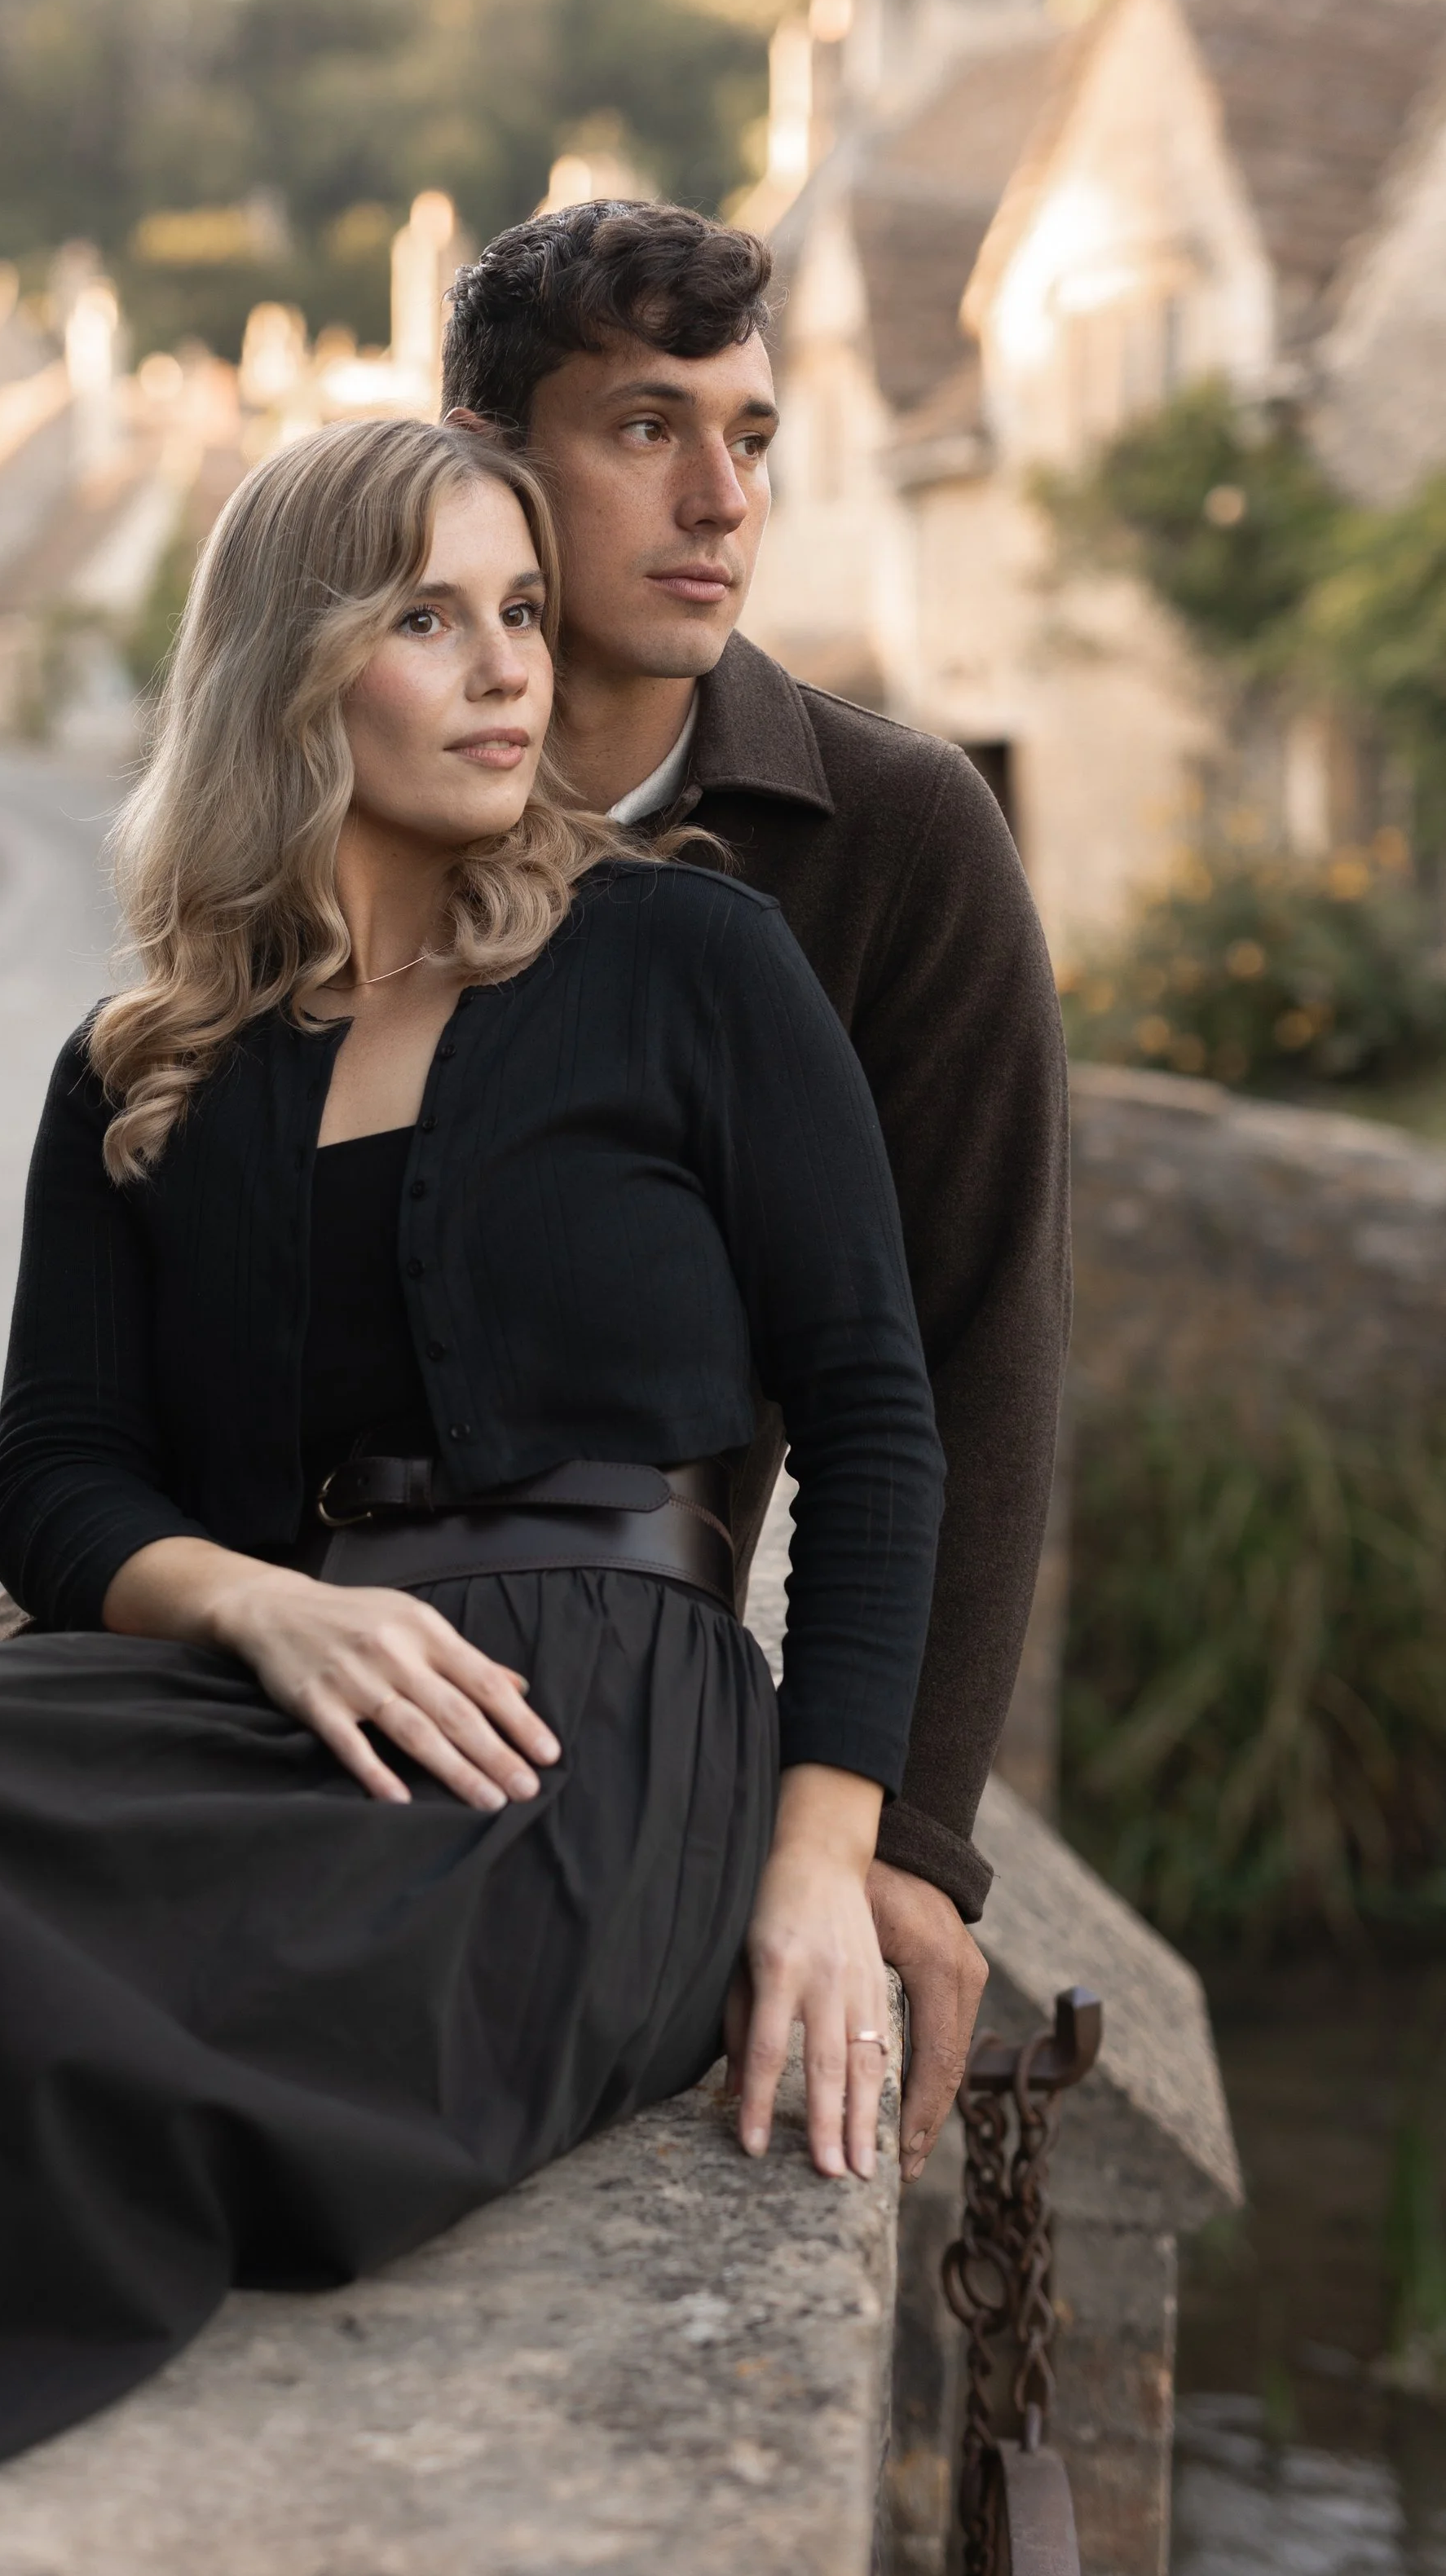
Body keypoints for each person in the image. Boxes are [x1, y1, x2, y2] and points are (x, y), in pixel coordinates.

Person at [0, 419, 943, 2576]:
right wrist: (256, 1606)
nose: (509, 669)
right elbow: (55, 1477)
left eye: (519, 609)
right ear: (289, 668)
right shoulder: (149, 1065)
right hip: (291, 1701)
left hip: (589, 1749)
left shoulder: (687, 960)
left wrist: (823, 1861)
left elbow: (880, 1413)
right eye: (428, 615)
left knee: (80, 1997)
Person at [439, 200, 1069, 2185]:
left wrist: (897, 1839)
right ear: (484, 465)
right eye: (644, 429)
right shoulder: (349, 790)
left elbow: (975, 1353)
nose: (721, 497)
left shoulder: (893, 838)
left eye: (753, 436)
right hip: (286, 1638)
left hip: (610, 1692)